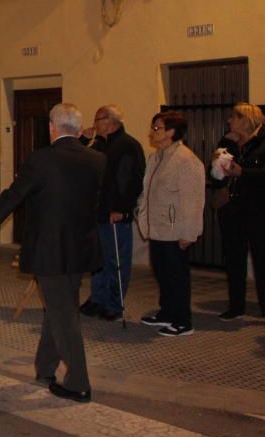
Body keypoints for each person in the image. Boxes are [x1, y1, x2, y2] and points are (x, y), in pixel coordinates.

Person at [0, 103, 104, 403]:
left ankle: (78, 382)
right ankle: (45, 368)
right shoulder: (97, 159)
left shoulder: (41, 159)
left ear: (52, 127)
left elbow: (13, 197)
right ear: (78, 130)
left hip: (49, 248)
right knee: (59, 307)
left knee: (64, 314)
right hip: (81, 248)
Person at [136, 111, 205, 337]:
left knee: (177, 275)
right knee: (162, 273)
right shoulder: (156, 157)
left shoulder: (186, 160)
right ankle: (167, 312)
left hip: (175, 230)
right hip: (157, 227)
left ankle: (183, 320)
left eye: (157, 128)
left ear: (171, 132)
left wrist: (189, 233)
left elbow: (193, 200)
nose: (152, 132)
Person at [80, 105, 146, 321]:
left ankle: (114, 304)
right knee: (98, 259)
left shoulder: (127, 145)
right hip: (98, 212)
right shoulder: (99, 145)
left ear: (110, 121)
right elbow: (82, 165)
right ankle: (97, 298)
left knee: (116, 260)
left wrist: (122, 209)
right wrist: (84, 141)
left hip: (115, 214)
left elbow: (130, 181)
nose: (94, 123)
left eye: (97, 119)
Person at [211, 103, 265, 320]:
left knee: (262, 260)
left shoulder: (262, 144)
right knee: (234, 258)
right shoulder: (228, 143)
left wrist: (243, 173)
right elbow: (214, 175)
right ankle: (236, 306)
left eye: (233, 117)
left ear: (246, 120)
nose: (229, 121)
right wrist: (218, 162)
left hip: (259, 210)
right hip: (232, 209)